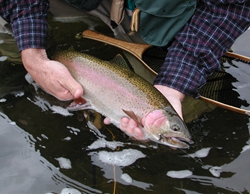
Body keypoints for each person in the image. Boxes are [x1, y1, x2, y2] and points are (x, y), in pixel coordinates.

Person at [0, 0, 250, 140]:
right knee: (7, 33)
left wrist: (174, 86)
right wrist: (33, 56)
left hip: (164, 22)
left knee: (191, 109)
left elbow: (228, 9)